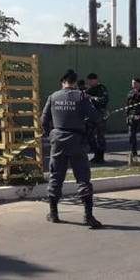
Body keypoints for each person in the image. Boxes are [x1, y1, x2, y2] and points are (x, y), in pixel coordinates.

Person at [41, 69, 103, 228]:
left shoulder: (53, 96)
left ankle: (53, 214)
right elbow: (95, 118)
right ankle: (88, 217)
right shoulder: (81, 96)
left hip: (58, 140)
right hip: (77, 140)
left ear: (63, 82)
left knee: (56, 175)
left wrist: (51, 135)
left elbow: (43, 120)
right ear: (75, 82)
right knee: (83, 177)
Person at [85, 72, 109, 165]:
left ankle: (100, 157)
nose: (90, 82)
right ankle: (96, 154)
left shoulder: (102, 88)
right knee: (89, 135)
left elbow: (104, 100)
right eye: (89, 81)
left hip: (100, 115)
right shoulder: (89, 89)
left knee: (100, 137)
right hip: (91, 116)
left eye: (91, 81)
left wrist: (92, 98)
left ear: (96, 80)